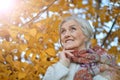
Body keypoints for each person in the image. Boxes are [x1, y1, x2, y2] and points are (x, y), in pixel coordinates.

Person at [43, 16, 119, 80]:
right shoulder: (55, 68)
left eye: (73, 29)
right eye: (63, 31)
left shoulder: (105, 63)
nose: (66, 35)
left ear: (85, 35)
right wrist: (62, 64)